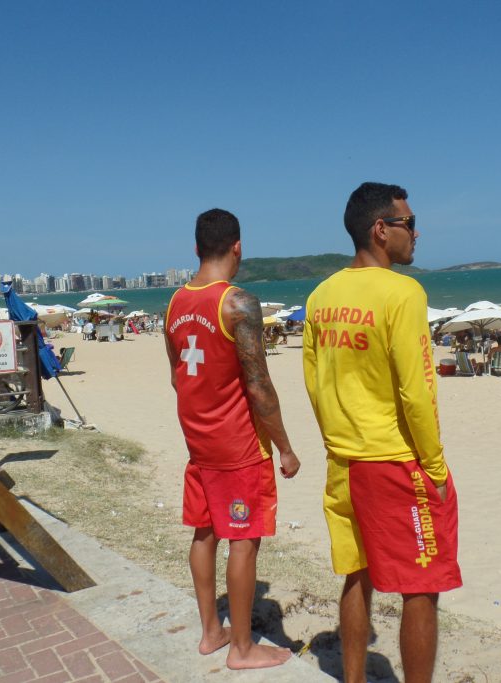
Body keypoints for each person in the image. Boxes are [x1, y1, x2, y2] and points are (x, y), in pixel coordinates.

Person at [302, 182, 461, 683]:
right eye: (408, 223)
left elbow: (314, 382)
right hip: (393, 461)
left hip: (343, 461)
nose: (416, 233)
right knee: (422, 586)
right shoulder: (403, 292)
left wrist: (336, 439)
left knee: (358, 574)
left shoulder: (321, 296)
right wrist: (435, 469)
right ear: (380, 229)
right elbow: (418, 392)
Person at [164, 208, 301, 670]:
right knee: (243, 539)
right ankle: (242, 648)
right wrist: (285, 447)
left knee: (204, 533)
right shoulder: (238, 303)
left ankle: (211, 632)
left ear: (197, 248)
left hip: (198, 441)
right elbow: (258, 386)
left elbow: (177, 376)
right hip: (238, 445)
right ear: (237, 247)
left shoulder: (175, 302)